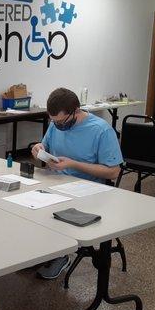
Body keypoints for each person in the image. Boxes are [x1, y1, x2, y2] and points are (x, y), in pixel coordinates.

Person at [31, 88, 123, 279]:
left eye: (61, 121)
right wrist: (39, 148)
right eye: (53, 121)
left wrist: (73, 164)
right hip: (55, 182)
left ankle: (60, 255)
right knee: (25, 205)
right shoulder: (56, 124)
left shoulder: (101, 130)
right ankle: (38, 252)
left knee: (53, 209)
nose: (57, 126)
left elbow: (113, 171)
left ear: (76, 110)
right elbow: (45, 145)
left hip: (87, 190)